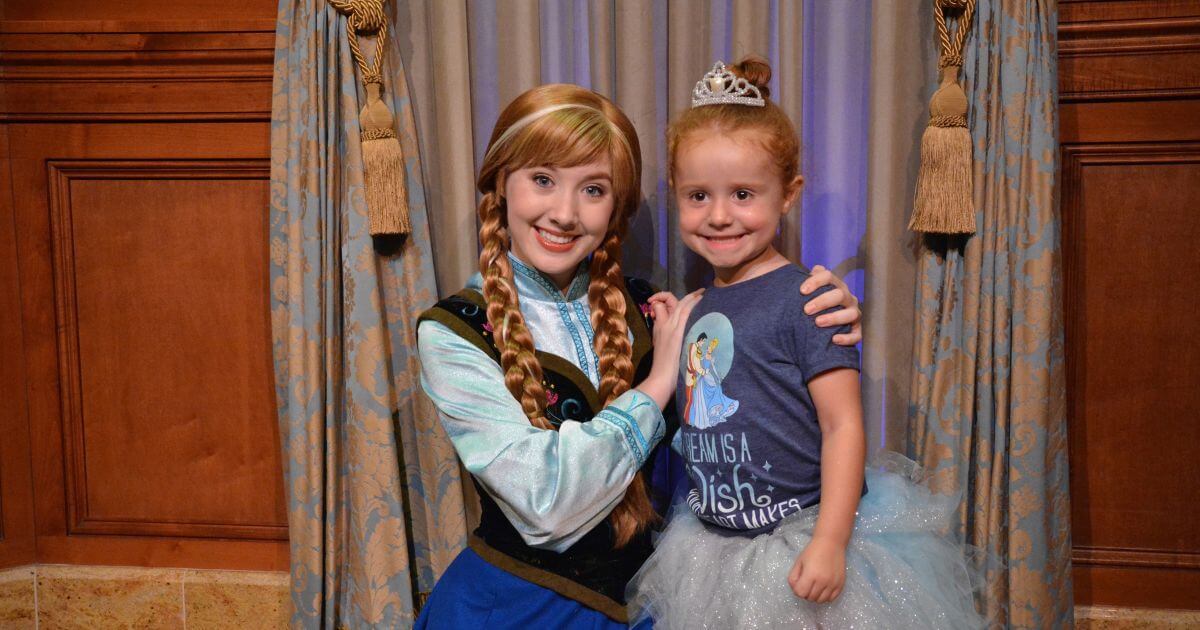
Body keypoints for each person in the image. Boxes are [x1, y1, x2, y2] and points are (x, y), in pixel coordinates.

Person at [414, 83, 863, 629]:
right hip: (513, 608)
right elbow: (544, 506)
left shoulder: (656, 312)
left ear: (617, 207)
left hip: (654, 601)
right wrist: (656, 389)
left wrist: (816, 313)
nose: (564, 213)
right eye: (543, 180)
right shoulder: (454, 332)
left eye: (594, 190)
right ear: (500, 185)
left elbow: (740, 426)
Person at [626, 58, 983, 629]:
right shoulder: (693, 305)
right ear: (675, 192)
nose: (719, 216)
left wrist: (830, 542)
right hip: (710, 545)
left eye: (743, 193)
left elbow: (843, 426)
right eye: (698, 196)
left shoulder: (811, 300)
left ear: (788, 195)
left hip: (796, 545)